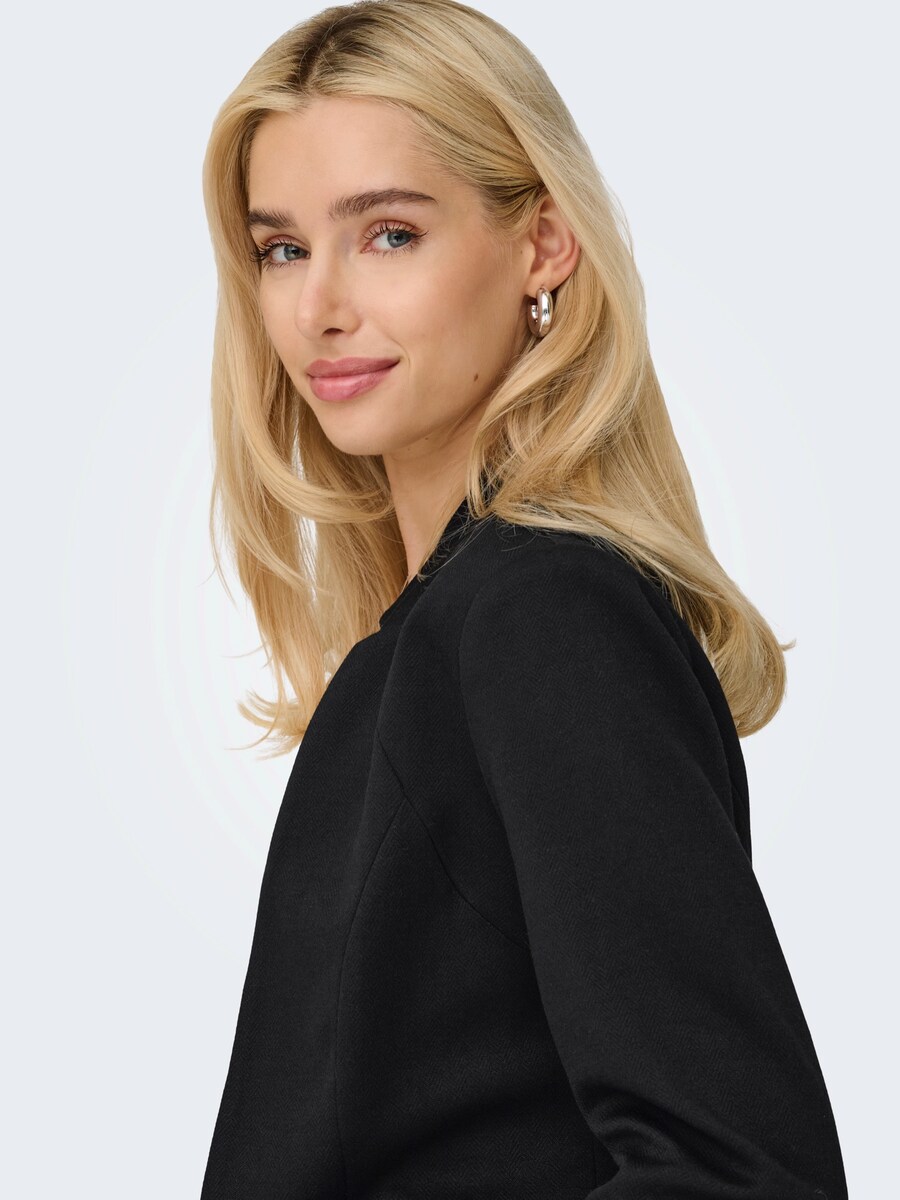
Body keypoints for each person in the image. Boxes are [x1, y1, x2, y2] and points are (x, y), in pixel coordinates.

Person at [198, 1, 848, 1196]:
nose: (319, 305)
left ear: (543, 245)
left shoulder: (542, 616)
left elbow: (741, 1169)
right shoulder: (440, 635)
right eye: (282, 248)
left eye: (389, 234)